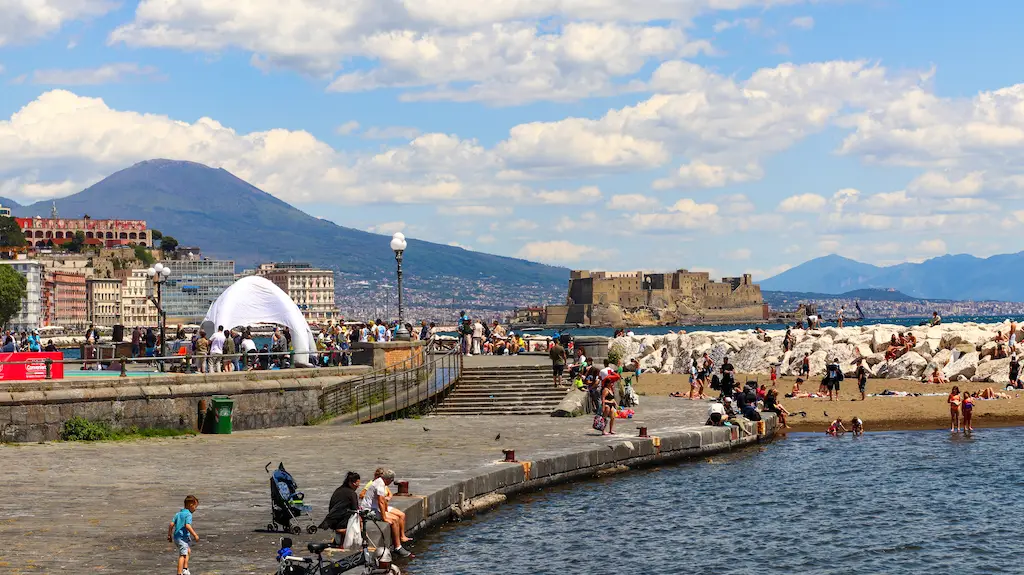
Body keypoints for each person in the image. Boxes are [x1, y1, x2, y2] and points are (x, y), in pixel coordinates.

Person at [359, 469, 413, 558]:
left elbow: (382, 501)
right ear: (388, 479)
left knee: (399, 516)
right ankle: (398, 547)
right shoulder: (380, 484)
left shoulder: (380, 482)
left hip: (375, 508)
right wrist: (384, 517)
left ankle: (400, 538)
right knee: (394, 520)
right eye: (391, 481)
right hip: (369, 510)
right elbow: (381, 502)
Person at [321, 471, 360, 546]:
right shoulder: (352, 494)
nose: (358, 486)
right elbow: (356, 510)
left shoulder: (338, 490)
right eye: (357, 484)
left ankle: (339, 541)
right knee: (357, 529)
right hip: (340, 522)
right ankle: (343, 543)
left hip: (330, 519)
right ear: (351, 483)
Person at [168, 495, 200, 575]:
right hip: (183, 538)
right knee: (183, 555)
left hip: (177, 537)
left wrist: (169, 534)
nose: (195, 509)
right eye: (195, 506)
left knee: (188, 551)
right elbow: (187, 525)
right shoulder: (188, 514)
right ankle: (179, 572)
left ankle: (185, 569)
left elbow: (171, 524)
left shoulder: (178, 514)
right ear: (191, 505)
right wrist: (195, 535)